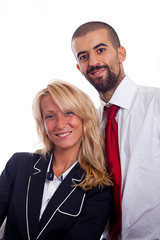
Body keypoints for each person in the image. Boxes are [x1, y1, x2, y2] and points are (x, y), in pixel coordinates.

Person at [71, 21, 160, 240]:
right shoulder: (88, 125)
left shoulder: (156, 104)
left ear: (121, 53)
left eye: (101, 50)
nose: (93, 62)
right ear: (78, 68)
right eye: (83, 56)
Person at [0, 80, 112, 240]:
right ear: (43, 124)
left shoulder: (99, 187)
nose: (60, 124)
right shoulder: (19, 164)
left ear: (84, 117)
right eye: (50, 116)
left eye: (68, 113)